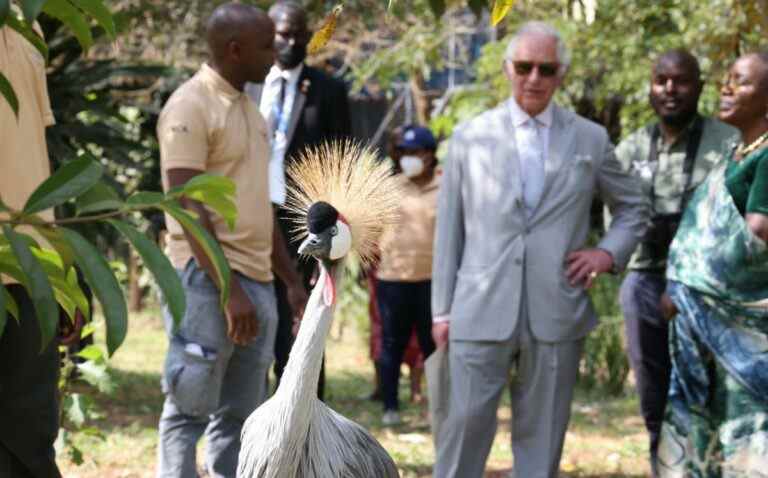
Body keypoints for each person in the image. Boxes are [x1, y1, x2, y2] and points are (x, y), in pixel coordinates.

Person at [431, 21, 648, 478]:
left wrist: (606, 253)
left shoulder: (589, 138)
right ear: (508, 69)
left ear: (561, 74)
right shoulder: (471, 136)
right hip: (478, 307)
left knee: (543, 437)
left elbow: (633, 207)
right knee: (463, 429)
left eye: (546, 69)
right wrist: (441, 311)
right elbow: (449, 230)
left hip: (556, 308)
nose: (534, 78)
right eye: (525, 67)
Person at [155, 4, 307, 477]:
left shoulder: (250, 110)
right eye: (268, 44)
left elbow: (262, 203)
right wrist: (229, 288)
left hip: (257, 282)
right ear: (234, 50)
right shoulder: (190, 105)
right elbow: (185, 203)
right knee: (189, 409)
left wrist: (291, 282)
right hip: (207, 281)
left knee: (241, 417)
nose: (278, 50)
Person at [612, 49, 737, 476]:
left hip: (709, 281)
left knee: (709, 387)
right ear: (650, 86)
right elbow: (617, 217)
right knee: (652, 385)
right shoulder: (631, 148)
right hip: (646, 275)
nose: (670, 89)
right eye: (661, 80)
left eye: (681, 80)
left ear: (699, 86)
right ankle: (660, 459)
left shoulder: (728, 140)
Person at [657, 52, 768, 477]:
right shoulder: (734, 155)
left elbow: (754, 238)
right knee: (712, 431)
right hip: (706, 325)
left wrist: (686, 285)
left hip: (748, 333)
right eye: (727, 79)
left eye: (741, 83)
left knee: (746, 435)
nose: (727, 89)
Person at [245, 1, 351, 400]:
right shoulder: (247, 86)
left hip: (301, 232)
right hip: (251, 225)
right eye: (282, 33)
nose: (290, 41)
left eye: (299, 34)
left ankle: (304, 442)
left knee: (300, 344)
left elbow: (341, 165)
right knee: (252, 343)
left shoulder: (328, 90)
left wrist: (330, 246)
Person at [0, 21, 83, 478]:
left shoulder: (24, 22)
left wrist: (60, 274)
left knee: (32, 435)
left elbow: (36, 157)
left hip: (31, 271)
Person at [375, 125, 439, 426]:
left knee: (433, 346)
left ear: (429, 155)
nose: (408, 159)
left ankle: (437, 407)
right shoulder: (389, 187)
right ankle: (390, 407)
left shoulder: (446, 187)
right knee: (391, 344)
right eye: (404, 153)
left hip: (433, 281)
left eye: (415, 153)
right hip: (392, 280)